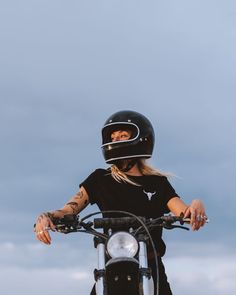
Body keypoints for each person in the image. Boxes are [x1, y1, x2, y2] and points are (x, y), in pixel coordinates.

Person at [34, 110, 207, 295]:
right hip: (111, 264)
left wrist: (196, 205)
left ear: (142, 139)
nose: (115, 141)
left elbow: (182, 210)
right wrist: (46, 217)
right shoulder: (100, 179)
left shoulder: (158, 183)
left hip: (151, 264)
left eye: (122, 136)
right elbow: (68, 209)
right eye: (112, 137)